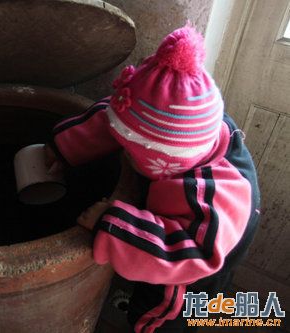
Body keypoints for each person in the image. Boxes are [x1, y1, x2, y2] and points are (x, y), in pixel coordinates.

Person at [45, 25, 260, 332]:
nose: (126, 158)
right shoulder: (183, 121)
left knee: (162, 310)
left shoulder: (210, 199)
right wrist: (63, 146)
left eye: (132, 155)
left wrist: (112, 222)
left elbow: (186, 252)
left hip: (193, 262)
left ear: (165, 164)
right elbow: (117, 117)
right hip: (182, 208)